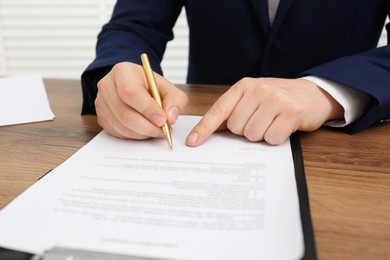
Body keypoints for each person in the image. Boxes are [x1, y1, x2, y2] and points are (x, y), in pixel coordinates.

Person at [81, 0, 390, 146]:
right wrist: (121, 72)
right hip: (209, 134)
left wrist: (326, 92)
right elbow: (132, 26)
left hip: (335, 145)